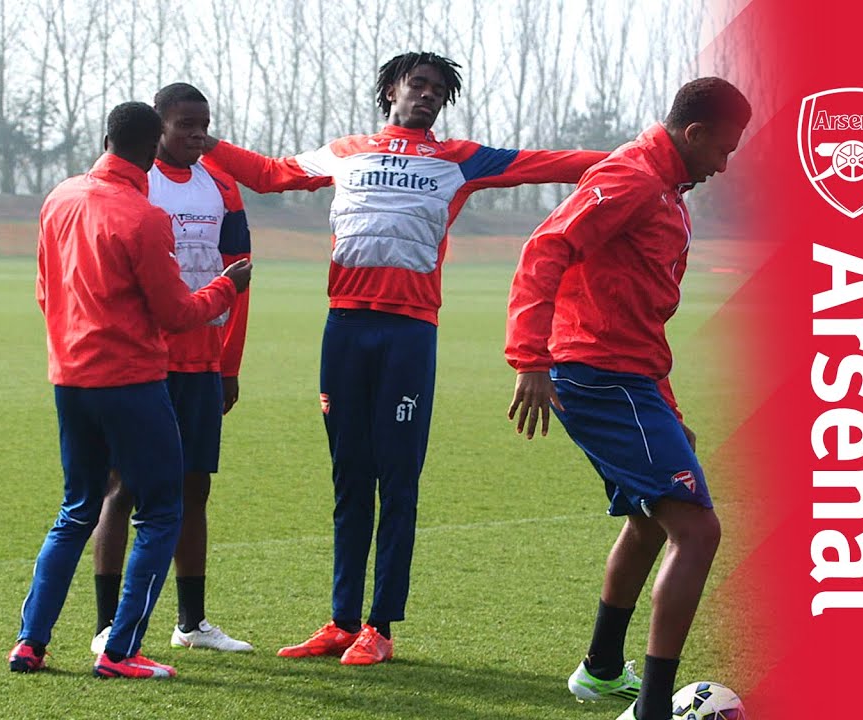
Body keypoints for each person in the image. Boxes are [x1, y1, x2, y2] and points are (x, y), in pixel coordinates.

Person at [201, 51, 608, 665]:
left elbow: (547, 164)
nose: (426, 95)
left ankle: (381, 626)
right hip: (344, 327)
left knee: (397, 479)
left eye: (438, 90)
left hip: (409, 335)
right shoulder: (346, 150)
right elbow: (269, 174)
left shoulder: (461, 159)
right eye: (417, 84)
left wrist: (640, 157)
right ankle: (341, 621)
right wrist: (202, 141)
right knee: (348, 475)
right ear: (391, 88)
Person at [504, 77, 751, 720]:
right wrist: (530, 358)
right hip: (598, 374)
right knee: (697, 531)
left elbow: (641, 314)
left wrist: (669, 409)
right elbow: (545, 249)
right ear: (693, 134)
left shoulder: (667, 189)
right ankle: (650, 711)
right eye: (723, 149)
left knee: (651, 521)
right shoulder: (633, 179)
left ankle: (602, 670)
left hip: (632, 376)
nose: (725, 164)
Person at [8, 101, 252, 680]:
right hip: (132, 381)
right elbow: (174, 313)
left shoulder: (60, 197)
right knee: (163, 511)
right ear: (151, 150)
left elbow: (45, 292)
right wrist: (226, 288)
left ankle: (30, 643)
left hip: (70, 377)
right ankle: (120, 650)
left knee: (75, 510)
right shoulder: (144, 217)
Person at [90, 83, 282, 656]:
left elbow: (238, 277)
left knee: (194, 487)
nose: (198, 135)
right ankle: (107, 625)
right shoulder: (134, 183)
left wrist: (229, 364)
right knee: (123, 488)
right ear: (158, 128)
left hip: (201, 359)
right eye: (185, 125)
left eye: (204, 124)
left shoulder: (223, 188)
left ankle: (191, 623)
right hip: (142, 360)